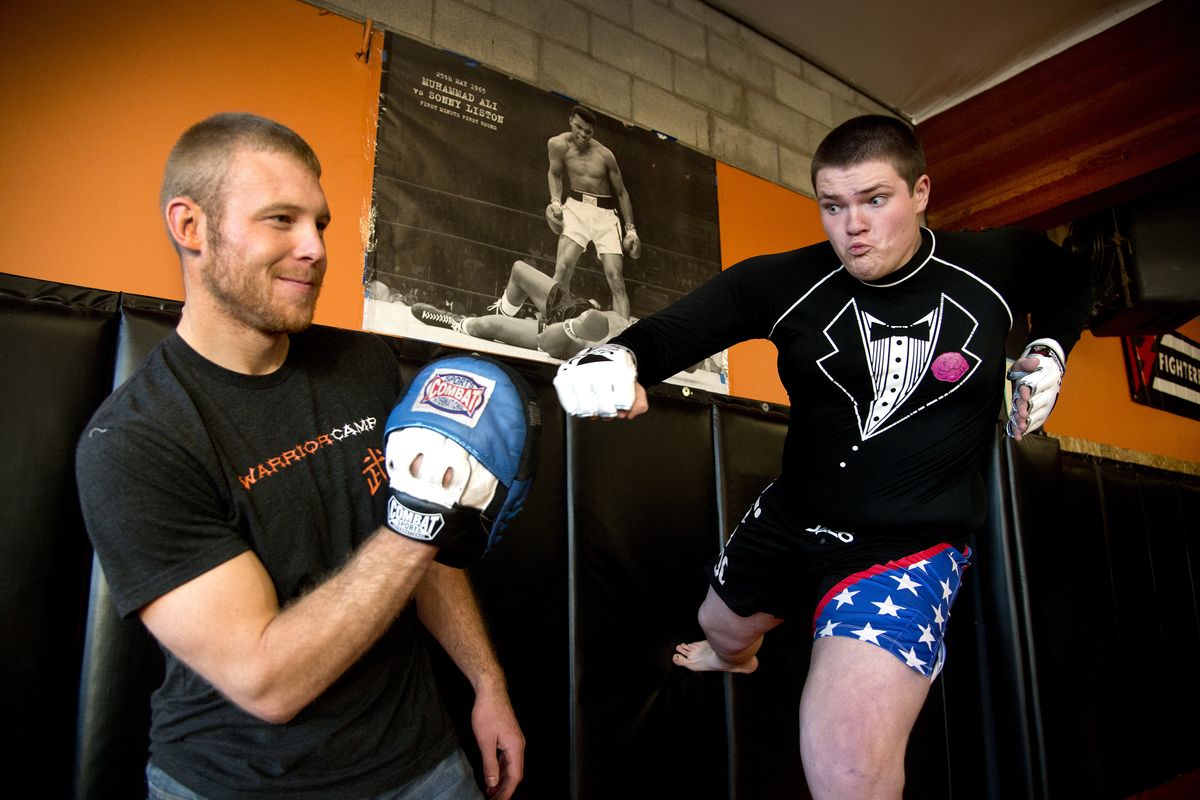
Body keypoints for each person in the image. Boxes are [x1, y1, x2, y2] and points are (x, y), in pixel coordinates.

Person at [552, 114, 1091, 799]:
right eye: (833, 206)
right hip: (796, 513)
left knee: (848, 770)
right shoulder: (786, 283)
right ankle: (735, 658)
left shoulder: (993, 265)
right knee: (720, 627)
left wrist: (1052, 348)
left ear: (920, 191)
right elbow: (668, 335)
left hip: (907, 547)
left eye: (874, 200)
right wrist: (616, 359)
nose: (852, 226)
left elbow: (1074, 282)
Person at [75, 113, 524, 800]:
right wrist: (426, 512)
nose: (314, 248)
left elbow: (418, 560)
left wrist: (485, 681)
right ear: (190, 227)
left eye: (321, 223)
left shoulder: (362, 363)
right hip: (240, 784)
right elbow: (268, 681)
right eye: (281, 220)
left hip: (422, 765)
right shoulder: (134, 443)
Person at [412, 258, 631, 361]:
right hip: (574, 308)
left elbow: (546, 341)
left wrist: (575, 326)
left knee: (484, 326)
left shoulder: (613, 353)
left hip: (565, 335)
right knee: (519, 269)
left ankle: (456, 321)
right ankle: (502, 313)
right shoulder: (631, 324)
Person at [540, 104, 638, 319]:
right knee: (563, 268)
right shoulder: (557, 145)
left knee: (616, 279)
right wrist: (555, 201)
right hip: (575, 208)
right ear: (570, 122)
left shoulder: (605, 155)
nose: (583, 135)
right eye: (579, 128)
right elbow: (554, 174)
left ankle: (621, 337)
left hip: (604, 215)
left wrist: (631, 230)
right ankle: (551, 324)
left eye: (588, 131)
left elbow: (621, 193)